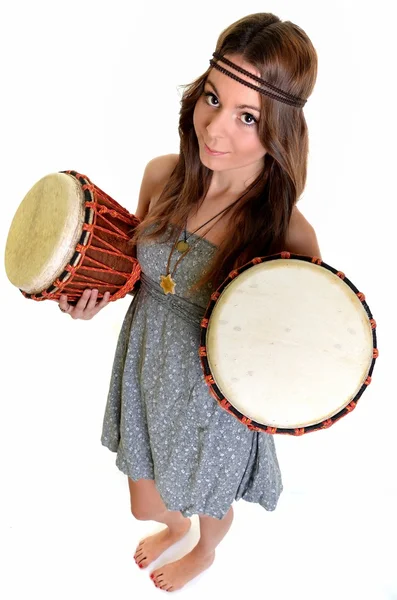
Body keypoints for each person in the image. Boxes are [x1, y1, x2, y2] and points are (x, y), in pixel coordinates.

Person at [58, 12, 321, 593]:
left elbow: (303, 354)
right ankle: (175, 526)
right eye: (212, 98)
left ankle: (203, 549)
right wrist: (95, 297)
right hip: (147, 363)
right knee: (144, 499)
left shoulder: (288, 236)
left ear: (280, 129)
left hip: (212, 401)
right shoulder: (162, 178)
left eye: (248, 116)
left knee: (208, 493)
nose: (216, 128)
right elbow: (141, 275)